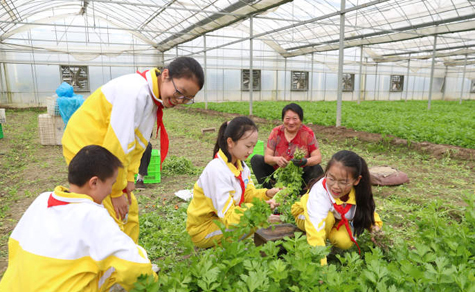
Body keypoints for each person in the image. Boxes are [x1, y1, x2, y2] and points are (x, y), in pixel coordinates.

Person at [62, 57, 204, 243]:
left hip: (105, 153)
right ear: (166, 75)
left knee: (129, 208)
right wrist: (115, 192)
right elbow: (118, 146)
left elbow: (137, 145)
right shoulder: (134, 92)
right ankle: (114, 266)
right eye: (180, 92)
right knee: (110, 214)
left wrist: (129, 179)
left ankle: (131, 260)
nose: (180, 100)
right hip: (86, 150)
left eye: (187, 99)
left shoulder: (153, 97)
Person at [0, 145, 157, 291]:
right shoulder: (93, 216)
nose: (111, 191)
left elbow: (13, 247)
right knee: (114, 267)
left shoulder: (42, 200)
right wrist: (152, 280)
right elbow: (136, 269)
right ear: (94, 182)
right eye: (112, 184)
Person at [186, 116, 281, 248]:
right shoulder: (217, 170)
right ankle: (219, 247)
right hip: (203, 230)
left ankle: (225, 245)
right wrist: (260, 209)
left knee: (255, 218)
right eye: (248, 146)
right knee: (256, 219)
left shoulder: (241, 166)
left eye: (253, 146)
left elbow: (248, 194)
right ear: (230, 142)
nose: (251, 151)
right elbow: (229, 218)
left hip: (218, 221)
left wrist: (268, 193)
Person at [291, 150, 383, 265]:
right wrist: (320, 267)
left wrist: (375, 229)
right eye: (331, 178)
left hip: (336, 219)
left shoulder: (361, 191)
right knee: (327, 219)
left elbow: (368, 211)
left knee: (345, 241)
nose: (335, 187)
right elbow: (316, 231)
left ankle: (329, 241)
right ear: (326, 173)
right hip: (304, 215)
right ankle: (314, 249)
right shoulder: (319, 193)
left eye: (343, 182)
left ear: (357, 180)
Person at [250, 103, 324, 190]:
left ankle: (303, 193)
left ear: (301, 120)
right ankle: (269, 190)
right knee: (256, 159)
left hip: (299, 175)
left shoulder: (307, 133)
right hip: (278, 173)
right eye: (287, 119)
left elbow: (318, 158)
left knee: (316, 168)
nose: (291, 122)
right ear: (283, 119)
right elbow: (267, 157)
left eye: (295, 119)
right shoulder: (276, 132)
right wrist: (276, 159)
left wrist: (304, 162)